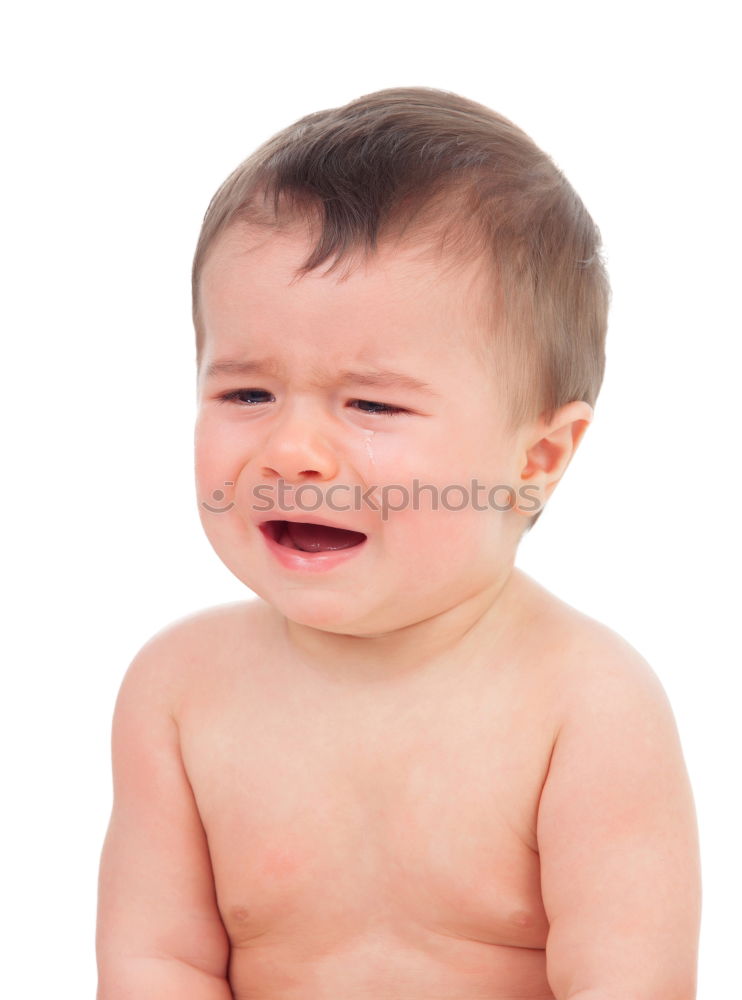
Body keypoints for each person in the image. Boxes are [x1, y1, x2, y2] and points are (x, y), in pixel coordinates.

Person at [95, 86, 701, 999]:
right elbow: (157, 961)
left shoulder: (587, 706)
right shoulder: (179, 692)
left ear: (536, 457)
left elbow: (629, 980)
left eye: (371, 404)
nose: (291, 452)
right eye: (245, 394)